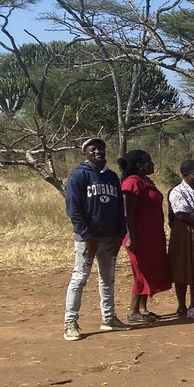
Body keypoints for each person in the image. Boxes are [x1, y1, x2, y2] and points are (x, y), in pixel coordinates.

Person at [63, 138, 129, 340]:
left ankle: (108, 319)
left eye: (101, 148)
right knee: (79, 278)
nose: (98, 151)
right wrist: (86, 235)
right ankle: (70, 323)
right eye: (93, 149)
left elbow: (119, 208)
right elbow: (73, 209)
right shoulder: (79, 176)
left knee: (107, 279)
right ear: (86, 152)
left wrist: (120, 234)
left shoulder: (111, 176)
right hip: (87, 238)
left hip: (109, 237)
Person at [119, 149, 171, 323]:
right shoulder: (131, 183)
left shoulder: (145, 181)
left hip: (152, 236)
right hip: (138, 236)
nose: (153, 164)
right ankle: (133, 311)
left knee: (149, 270)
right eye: (149, 161)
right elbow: (128, 214)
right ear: (139, 166)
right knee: (140, 272)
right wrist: (131, 237)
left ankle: (142, 308)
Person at [167, 159, 194, 317]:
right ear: (185, 175)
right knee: (182, 267)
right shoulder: (177, 191)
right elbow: (181, 214)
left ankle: (193, 303)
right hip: (184, 232)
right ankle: (181, 305)